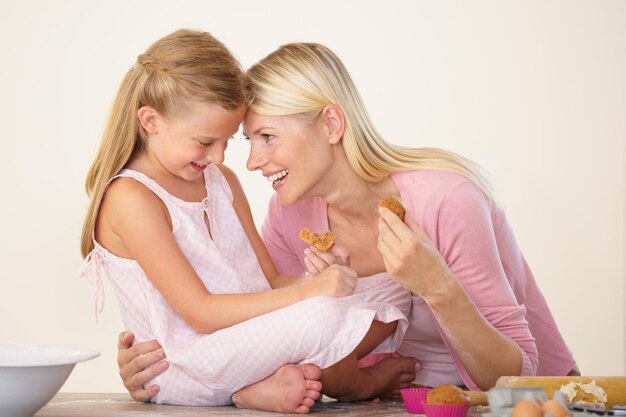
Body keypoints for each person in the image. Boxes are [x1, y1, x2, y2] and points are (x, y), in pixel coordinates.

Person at [116, 40, 579, 400]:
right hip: (391, 402)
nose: (251, 161)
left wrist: (437, 286)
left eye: (268, 137)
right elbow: (269, 334)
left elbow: (512, 379)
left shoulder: (445, 199)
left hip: (529, 401)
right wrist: (162, 366)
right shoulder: (290, 211)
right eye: (248, 141)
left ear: (332, 125)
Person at [80, 29, 419, 414]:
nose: (221, 157)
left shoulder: (221, 181)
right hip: (184, 364)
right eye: (206, 141)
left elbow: (269, 281)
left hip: (243, 340)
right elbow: (201, 313)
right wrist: (310, 294)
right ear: (151, 121)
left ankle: (259, 386)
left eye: (228, 141)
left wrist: (326, 279)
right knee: (321, 314)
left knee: (390, 287)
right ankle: (355, 384)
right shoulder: (132, 198)